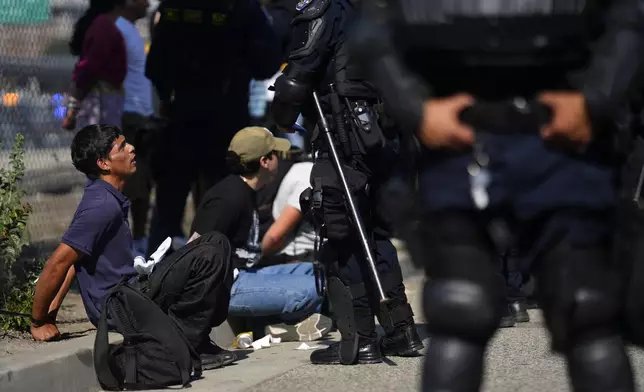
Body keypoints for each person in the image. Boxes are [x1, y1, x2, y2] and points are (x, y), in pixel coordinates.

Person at [351, 1, 644, 390]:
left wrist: (596, 100)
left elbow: (629, 19)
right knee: (460, 306)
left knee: (587, 310)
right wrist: (416, 110)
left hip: (560, 136)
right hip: (464, 136)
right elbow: (373, 29)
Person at [271, 0, 424, 365]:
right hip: (387, 138)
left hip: (344, 136)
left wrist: (281, 116)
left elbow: (298, 74)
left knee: (340, 233)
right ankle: (402, 331)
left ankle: (360, 340)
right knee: (375, 233)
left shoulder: (326, 8)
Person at [30, 124, 236, 370]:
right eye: (122, 147)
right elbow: (58, 262)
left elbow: (77, 260)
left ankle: (194, 340)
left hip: (131, 294)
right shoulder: (101, 206)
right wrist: (38, 320)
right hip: (119, 307)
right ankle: (188, 347)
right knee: (209, 254)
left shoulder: (108, 197)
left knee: (215, 242)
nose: (132, 149)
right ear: (104, 163)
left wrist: (51, 311)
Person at [144, 0, 283, 256]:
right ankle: (216, 265)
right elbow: (268, 62)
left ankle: (156, 271)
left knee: (169, 203)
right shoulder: (243, 8)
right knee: (222, 199)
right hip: (225, 121)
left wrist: (168, 96)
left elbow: (155, 66)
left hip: (181, 117)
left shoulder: (174, 9)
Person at [190, 127, 332, 341]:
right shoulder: (228, 198)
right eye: (274, 154)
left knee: (318, 274)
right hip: (228, 286)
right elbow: (194, 251)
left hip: (247, 273)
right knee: (312, 290)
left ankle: (273, 324)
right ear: (265, 162)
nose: (279, 160)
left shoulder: (247, 191)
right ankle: (270, 326)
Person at [114, 0, 156, 257]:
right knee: (131, 188)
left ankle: (139, 243)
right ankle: (125, 248)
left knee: (143, 187)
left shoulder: (130, 29)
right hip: (129, 118)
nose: (148, 2)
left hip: (141, 118)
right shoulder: (118, 29)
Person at [62, 0, 127, 131]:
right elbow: (88, 68)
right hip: (101, 102)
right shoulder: (104, 27)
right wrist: (73, 106)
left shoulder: (106, 25)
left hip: (105, 101)